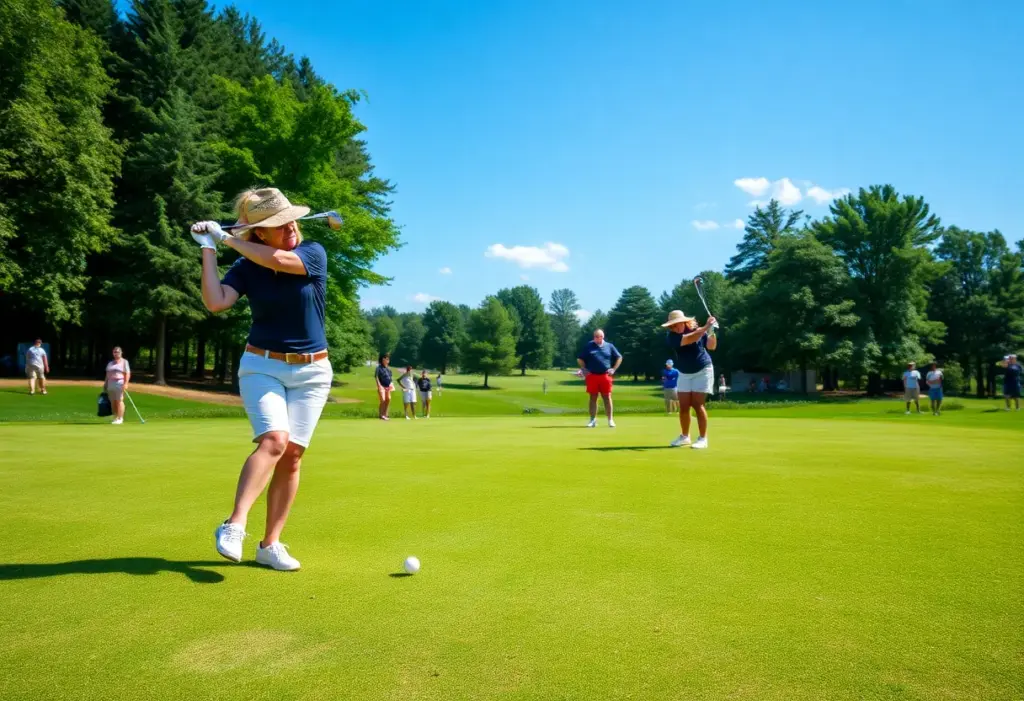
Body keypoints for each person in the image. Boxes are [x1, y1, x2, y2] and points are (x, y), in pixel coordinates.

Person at [191, 187, 333, 572]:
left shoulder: (311, 253)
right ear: (259, 234)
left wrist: (228, 240)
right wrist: (209, 248)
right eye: (275, 224)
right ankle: (234, 524)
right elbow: (217, 302)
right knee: (274, 440)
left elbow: (284, 260)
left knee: (292, 457)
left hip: (313, 372)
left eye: (289, 218)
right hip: (261, 366)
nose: (289, 227)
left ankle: (269, 545)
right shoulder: (247, 266)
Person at [662, 309, 717, 449]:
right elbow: (689, 339)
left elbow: (711, 346)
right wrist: (705, 327)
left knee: (698, 405)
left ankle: (703, 439)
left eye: (678, 324)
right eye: (673, 326)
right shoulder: (671, 337)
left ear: (684, 322)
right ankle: (685, 437)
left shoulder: (698, 330)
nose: (676, 327)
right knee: (684, 406)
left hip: (703, 369)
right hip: (684, 372)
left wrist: (711, 330)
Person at [577, 329, 622, 428]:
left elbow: (619, 357)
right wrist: (584, 368)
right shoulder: (589, 345)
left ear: (603, 337)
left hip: (605, 375)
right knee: (593, 398)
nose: (597, 339)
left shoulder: (609, 346)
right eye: (595, 337)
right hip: (592, 375)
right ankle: (592, 420)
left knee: (607, 397)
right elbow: (580, 359)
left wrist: (613, 369)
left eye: (599, 337)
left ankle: (610, 420)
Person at [104, 347, 131, 425]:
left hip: (120, 382)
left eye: (118, 352)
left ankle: (120, 418)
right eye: (115, 352)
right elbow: (107, 374)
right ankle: (115, 417)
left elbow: (128, 373)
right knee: (113, 402)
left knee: (119, 400)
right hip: (110, 383)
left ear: (121, 353)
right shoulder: (110, 363)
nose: (116, 353)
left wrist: (126, 383)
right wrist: (105, 383)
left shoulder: (124, 362)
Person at [376, 353, 393, 421]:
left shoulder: (388, 369)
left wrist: (391, 385)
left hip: (387, 386)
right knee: (382, 399)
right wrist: (379, 385)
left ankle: (386, 414)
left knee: (388, 399)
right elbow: (376, 377)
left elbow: (390, 378)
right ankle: (381, 415)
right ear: (383, 360)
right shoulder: (379, 368)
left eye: (388, 359)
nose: (387, 360)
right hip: (381, 386)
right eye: (386, 359)